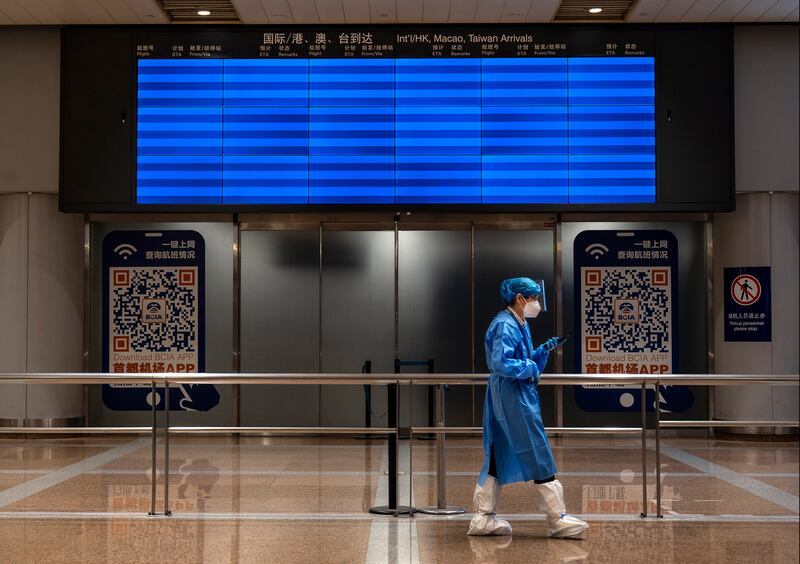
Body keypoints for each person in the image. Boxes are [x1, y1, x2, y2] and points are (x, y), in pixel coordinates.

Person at [467, 277, 589, 539]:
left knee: (497, 453)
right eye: (532, 297)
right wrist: (531, 366)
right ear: (519, 298)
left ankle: (483, 518)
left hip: (511, 393)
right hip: (512, 396)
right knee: (538, 449)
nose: (536, 303)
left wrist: (541, 352)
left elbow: (519, 360)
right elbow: (502, 363)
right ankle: (557, 518)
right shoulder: (504, 324)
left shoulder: (518, 322)